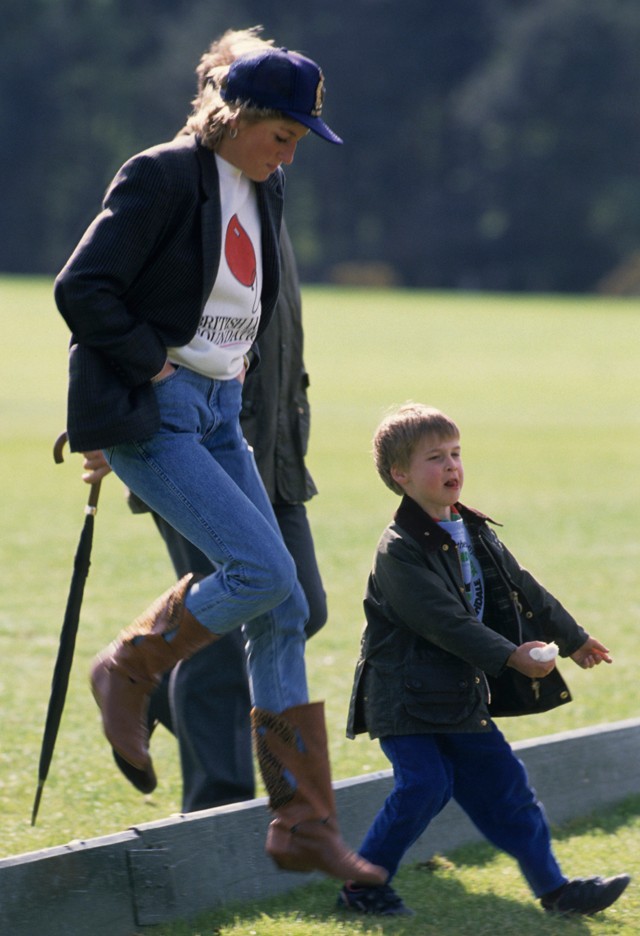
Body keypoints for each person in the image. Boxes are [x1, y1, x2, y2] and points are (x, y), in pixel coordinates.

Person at [54, 25, 385, 886]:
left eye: (299, 142)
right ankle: (129, 668)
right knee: (266, 578)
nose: (289, 155)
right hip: (158, 415)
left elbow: (243, 311)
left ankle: (302, 821)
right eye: (281, 136)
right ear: (234, 115)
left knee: (283, 608)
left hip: (221, 413)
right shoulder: (163, 174)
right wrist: (144, 366)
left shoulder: (260, 186)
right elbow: (82, 289)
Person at [337, 403, 630, 916]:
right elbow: (445, 622)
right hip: (403, 696)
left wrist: (575, 638)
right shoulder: (399, 550)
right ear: (399, 475)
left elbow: (524, 588)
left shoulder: (473, 529)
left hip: (457, 694)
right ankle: (362, 886)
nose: (451, 466)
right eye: (435, 457)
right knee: (426, 785)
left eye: (455, 453)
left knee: (507, 790)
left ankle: (557, 892)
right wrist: (510, 657)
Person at [86, 220, 328, 811]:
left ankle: (154, 685)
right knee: (227, 638)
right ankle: (218, 811)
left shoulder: (265, 188)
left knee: (302, 608)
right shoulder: (183, 187)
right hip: (193, 452)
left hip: (270, 451)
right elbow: (105, 300)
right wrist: (103, 414)